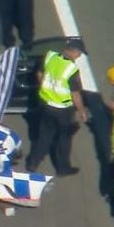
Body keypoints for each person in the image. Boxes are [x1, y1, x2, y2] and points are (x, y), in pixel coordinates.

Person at [25, 39, 88, 176]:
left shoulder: (50, 56)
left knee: (44, 135)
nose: (79, 56)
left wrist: (47, 89)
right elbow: (75, 94)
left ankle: (33, 162)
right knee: (64, 139)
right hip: (62, 110)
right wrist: (82, 111)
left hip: (45, 103)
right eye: (79, 53)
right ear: (73, 51)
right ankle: (63, 168)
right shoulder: (71, 69)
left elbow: (40, 74)